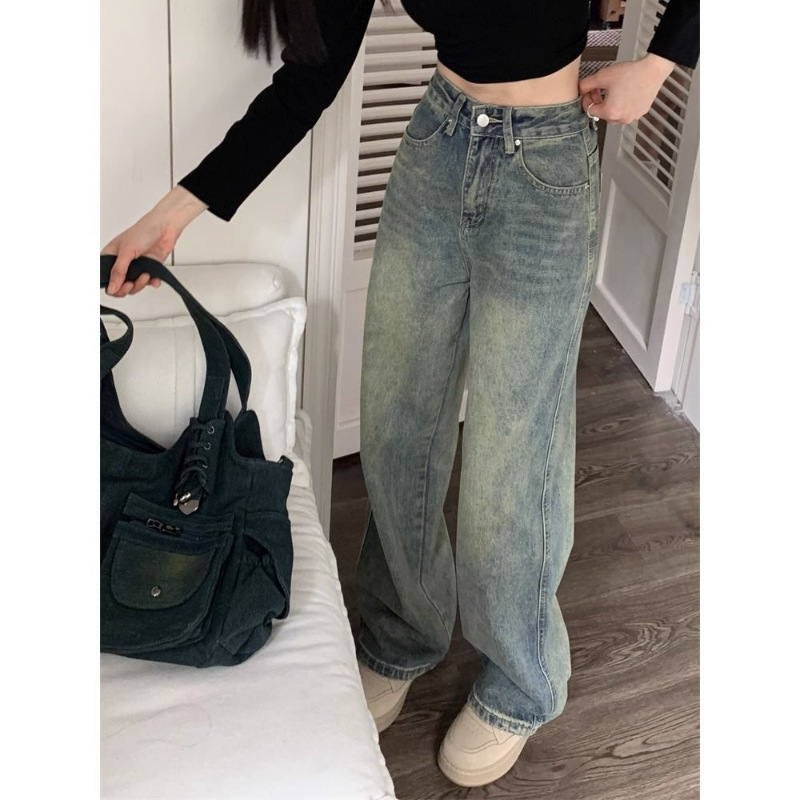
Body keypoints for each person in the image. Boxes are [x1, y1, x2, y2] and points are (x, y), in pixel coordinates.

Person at [103, 0, 700, 788]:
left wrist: (659, 63)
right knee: (394, 427)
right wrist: (177, 212)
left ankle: (523, 679)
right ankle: (401, 634)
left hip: (547, 167)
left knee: (513, 458)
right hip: (436, 150)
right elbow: (311, 76)